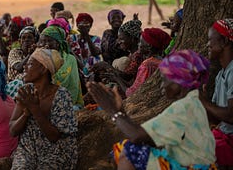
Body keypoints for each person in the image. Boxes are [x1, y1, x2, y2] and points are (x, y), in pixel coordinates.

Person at [87, 50, 216, 169]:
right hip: (198, 164)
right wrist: (121, 111)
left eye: (164, 79)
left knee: (131, 151)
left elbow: (137, 136)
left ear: (179, 83)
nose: (161, 85)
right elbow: (146, 136)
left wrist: (113, 111)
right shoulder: (193, 101)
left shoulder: (184, 106)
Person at [10, 48, 77, 169]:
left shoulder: (61, 96)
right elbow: (13, 131)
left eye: (30, 64)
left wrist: (35, 109)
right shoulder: (26, 92)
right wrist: (26, 113)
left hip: (56, 151)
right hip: (28, 151)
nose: (24, 66)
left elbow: (54, 137)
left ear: (43, 69)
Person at [200, 19, 233, 167]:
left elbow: (231, 116)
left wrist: (204, 102)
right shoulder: (222, 74)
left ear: (225, 41)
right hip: (223, 136)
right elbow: (215, 118)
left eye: (210, 40)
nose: (207, 45)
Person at [39, 25, 84, 110]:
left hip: (68, 101)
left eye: (50, 41)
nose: (46, 44)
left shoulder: (70, 59)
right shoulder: (39, 59)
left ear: (58, 42)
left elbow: (73, 85)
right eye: (43, 41)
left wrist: (65, 102)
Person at [124, 27, 171, 97]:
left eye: (140, 42)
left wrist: (116, 78)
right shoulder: (160, 60)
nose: (138, 44)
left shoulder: (147, 64)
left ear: (149, 46)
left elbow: (132, 93)